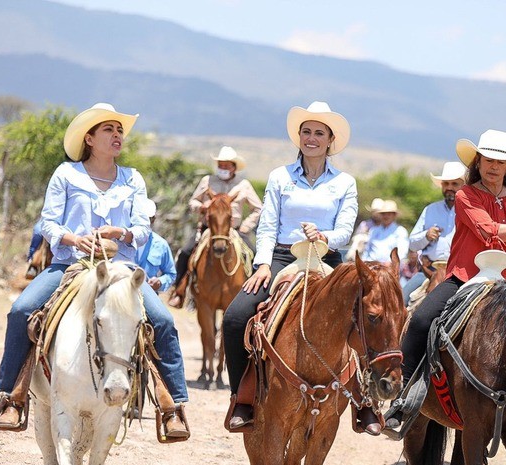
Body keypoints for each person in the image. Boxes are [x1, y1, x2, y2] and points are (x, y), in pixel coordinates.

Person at [0, 103, 188, 438]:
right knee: (22, 310)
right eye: (108, 130)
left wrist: (121, 233)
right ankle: (13, 396)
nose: (117, 136)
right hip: (71, 263)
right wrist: (72, 238)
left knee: (164, 321)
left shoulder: (132, 179)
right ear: (90, 138)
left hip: (121, 267)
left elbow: (142, 229)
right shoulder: (66, 174)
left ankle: (172, 406)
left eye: (119, 131)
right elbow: (48, 223)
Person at [383, 130, 506, 450]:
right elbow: (488, 230)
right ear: (477, 162)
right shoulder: (467, 196)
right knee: (422, 320)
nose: (494, 166)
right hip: (463, 277)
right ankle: (404, 400)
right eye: (488, 160)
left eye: (501, 161)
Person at [220, 101, 379, 434]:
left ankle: (366, 402)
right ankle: (243, 398)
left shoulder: (344, 183)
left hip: (327, 256)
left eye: (319, 133)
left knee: (366, 319)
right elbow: (267, 224)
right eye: (306, 131)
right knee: (236, 318)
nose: (311, 138)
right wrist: (262, 264)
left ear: (330, 140)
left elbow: (345, 230)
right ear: (299, 138)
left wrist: (324, 235)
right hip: (281, 255)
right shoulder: (280, 177)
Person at [168, 145, 261, 308]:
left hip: (234, 231)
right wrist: (202, 208)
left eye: (226, 165)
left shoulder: (243, 185)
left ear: (234, 167)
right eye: (220, 165)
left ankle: (253, 297)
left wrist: (246, 226)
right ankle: (179, 291)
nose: (222, 168)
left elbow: (258, 208)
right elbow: (193, 201)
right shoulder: (207, 181)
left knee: (254, 255)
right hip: (208, 229)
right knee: (185, 252)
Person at [401, 161, 463, 301]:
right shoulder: (430, 210)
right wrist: (426, 236)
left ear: (463, 186)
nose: (449, 188)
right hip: (429, 271)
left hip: (459, 273)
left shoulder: (471, 210)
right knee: (401, 300)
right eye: (446, 184)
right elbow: (412, 244)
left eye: (454, 184)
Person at [361, 198, 409, 265]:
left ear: (394, 215)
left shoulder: (400, 231)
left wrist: (390, 263)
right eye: (383, 214)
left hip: (390, 268)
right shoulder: (374, 230)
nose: (386, 216)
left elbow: (402, 252)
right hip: (372, 267)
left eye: (389, 214)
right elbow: (367, 250)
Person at [136, 230, 176, 294]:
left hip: (146, 294)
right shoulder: (121, 236)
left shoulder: (161, 244)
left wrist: (160, 282)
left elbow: (171, 274)